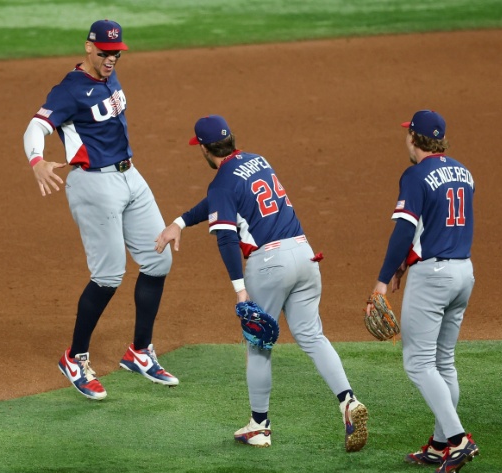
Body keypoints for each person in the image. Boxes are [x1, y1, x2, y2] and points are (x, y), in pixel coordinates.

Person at [155, 115, 368, 451]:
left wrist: (240, 289)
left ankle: (260, 426)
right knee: (312, 335)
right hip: (304, 254)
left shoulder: (221, 181)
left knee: (258, 344)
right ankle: (348, 401)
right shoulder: (257, 160)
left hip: (269, 265)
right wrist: (180, 222)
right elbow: (219, 202)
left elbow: (225, 236)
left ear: (206, 150)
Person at [22, 20, 178, 400]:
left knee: (158, 261)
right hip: (94, 184)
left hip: (130, 176)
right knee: (108, 276)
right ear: (89, 47)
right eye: (106, 53)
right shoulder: (70, 90)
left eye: (117, 53)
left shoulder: (110, 77)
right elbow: (35, 126)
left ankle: (139, 352)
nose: (113, 59)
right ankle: (74, 358)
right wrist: (37, 161)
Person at [365, 110, 478, 473]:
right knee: (443, 361)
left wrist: (383, 279)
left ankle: (459, 439)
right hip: (463, 272)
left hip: (433, 277)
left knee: (417, 363)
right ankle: (440, 444)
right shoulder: (464, 172)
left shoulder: (415, 175)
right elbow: (438, 225)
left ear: (414, 138)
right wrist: (403, 265)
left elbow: (405, 230)